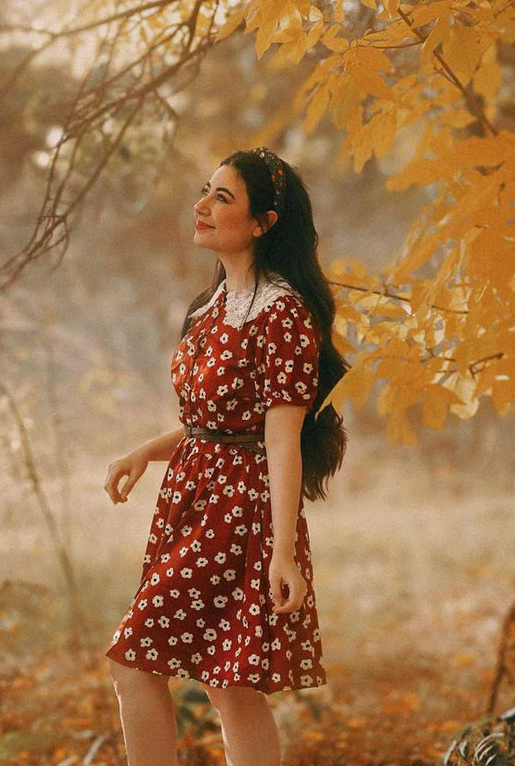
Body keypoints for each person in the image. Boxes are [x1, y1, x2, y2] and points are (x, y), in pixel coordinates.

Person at [103, 146, 349, 766]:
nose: (203, 206)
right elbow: (210, 425)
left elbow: (279, 438)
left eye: (223, 198)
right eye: (205, 191)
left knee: (142, 662)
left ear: (263, 223)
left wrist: (283, 550)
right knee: (227, 682)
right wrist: (147, 451)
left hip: (240, 510)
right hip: (192, 498)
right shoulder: (211, 306)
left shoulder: (282, 312)